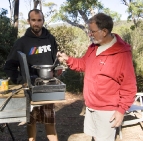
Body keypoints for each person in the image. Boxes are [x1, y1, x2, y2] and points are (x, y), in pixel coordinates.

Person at [57, 13, 137, 141]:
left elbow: (129, 86)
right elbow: (83, 64)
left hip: (107, 111)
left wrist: (121, 110)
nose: (90, 34)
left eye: (92, 31)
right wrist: (68, 59)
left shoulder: (121, 53)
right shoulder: (93, 47)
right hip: (91, 105)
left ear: (104, 31)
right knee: (94, 137)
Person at [4, 9, 58, 141]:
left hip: (47, 88)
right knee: (31, 121)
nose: (36, 23)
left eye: (39, 20)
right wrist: (21, 80)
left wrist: (56, 71)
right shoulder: (21, 42)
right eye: (33, 20)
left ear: (43, 21)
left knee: (49, 121)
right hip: (29, 89)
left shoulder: (50, 39)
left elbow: (55, 61)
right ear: (29, 21)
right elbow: (9, 66)